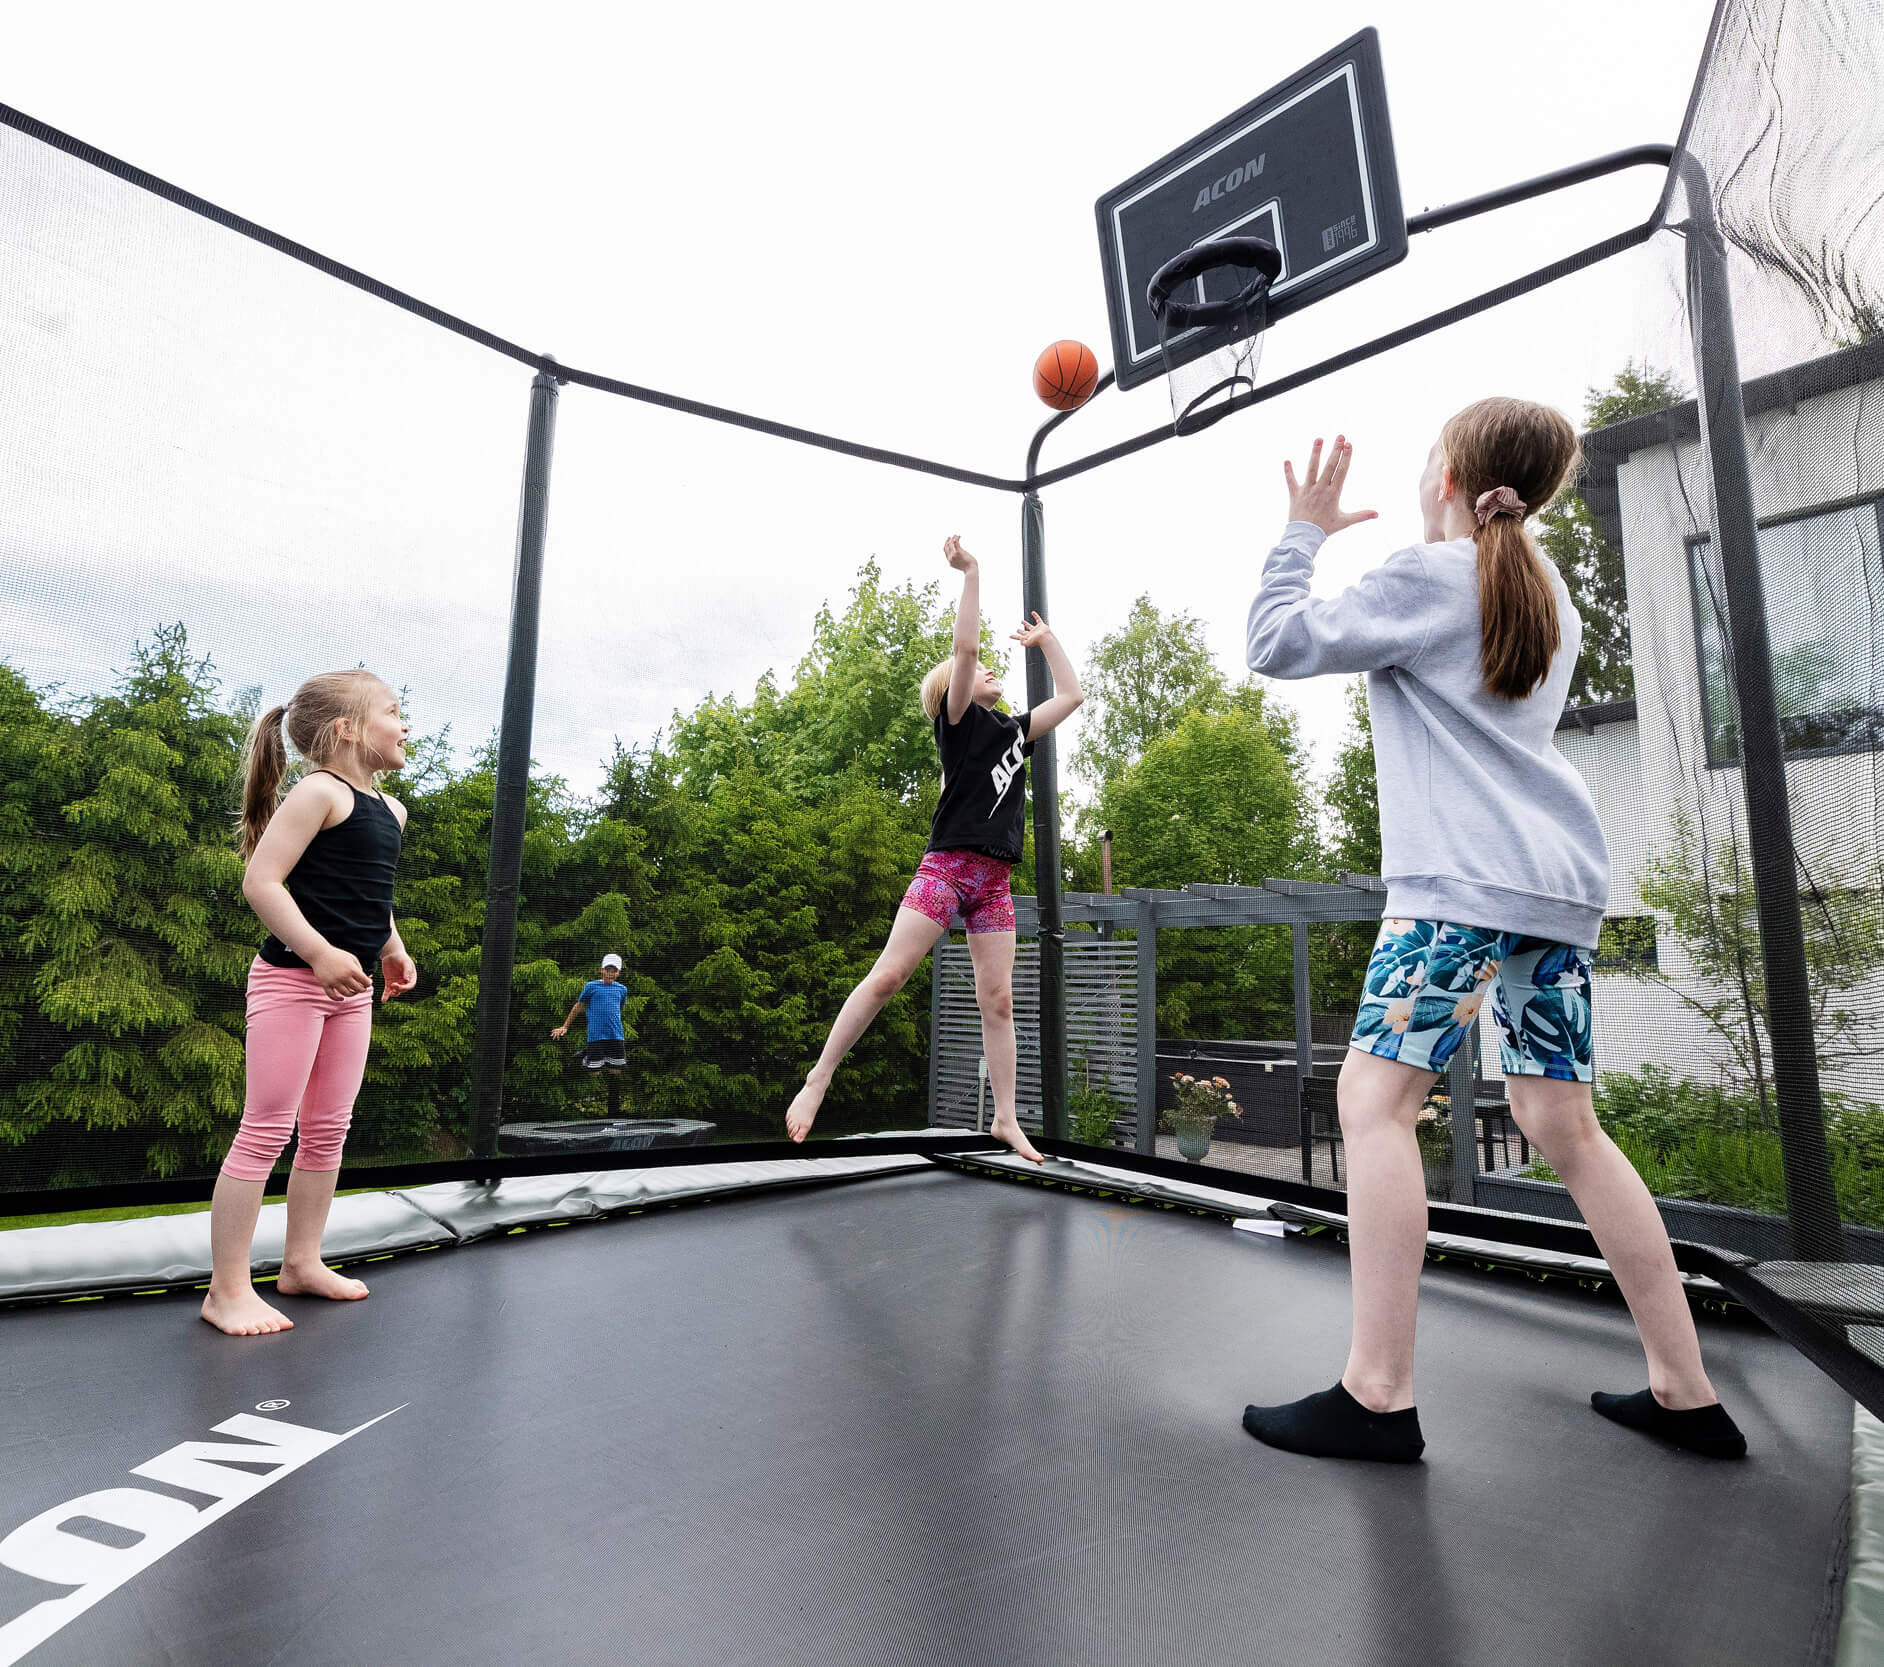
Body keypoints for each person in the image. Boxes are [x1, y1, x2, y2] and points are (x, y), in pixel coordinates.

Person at [1238, 403, 1746, 1462]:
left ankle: (1377, 1393)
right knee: (1563, 1121)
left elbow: (1275, 642)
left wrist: (1305, 531)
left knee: (1371, 1103)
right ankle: (1685, 1384)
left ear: (1451, 476)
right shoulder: (1540, 586)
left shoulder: (1434, 578)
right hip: (1552, 888)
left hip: (1458, 888)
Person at [785, 534, 1084, 1162]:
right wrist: (972, 572)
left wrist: (1047, 640)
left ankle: (1005, 1118)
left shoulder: (1014, 732)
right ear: (959, 686)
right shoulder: (959, 723)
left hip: (993, 884)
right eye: (982, 673)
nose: (994, 673)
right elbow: (968, 647)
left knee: (997, 1000)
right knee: (890, 974)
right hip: (946, 868)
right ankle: (819, 1078)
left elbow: (1072, 696)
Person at [201, 670, 417, 1337]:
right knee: (267, 1128)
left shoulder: (392, 809)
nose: (404, 724)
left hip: (349, 996)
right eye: (393, 711)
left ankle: (300, 1262)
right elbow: (261, 881)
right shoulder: (318, 791)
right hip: (292, 981)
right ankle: (227, 1289)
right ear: (347, 728)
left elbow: (366, 896)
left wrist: (392, 946)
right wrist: (321, 953)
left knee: (328, 1129)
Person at [553, 954, 632, 1113]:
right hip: (596, 1035)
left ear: (619, 973)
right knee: (595, 1072)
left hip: (616, 1035)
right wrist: (565, 1026)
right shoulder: (591, 986)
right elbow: (578, 1006)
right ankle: (587, 1055)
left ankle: (593, 1054)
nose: (611, 973)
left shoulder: (622, 989)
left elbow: (617, 1008)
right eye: (608, 970)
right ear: (602, 970)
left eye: (614, 970)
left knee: (615, 1071)